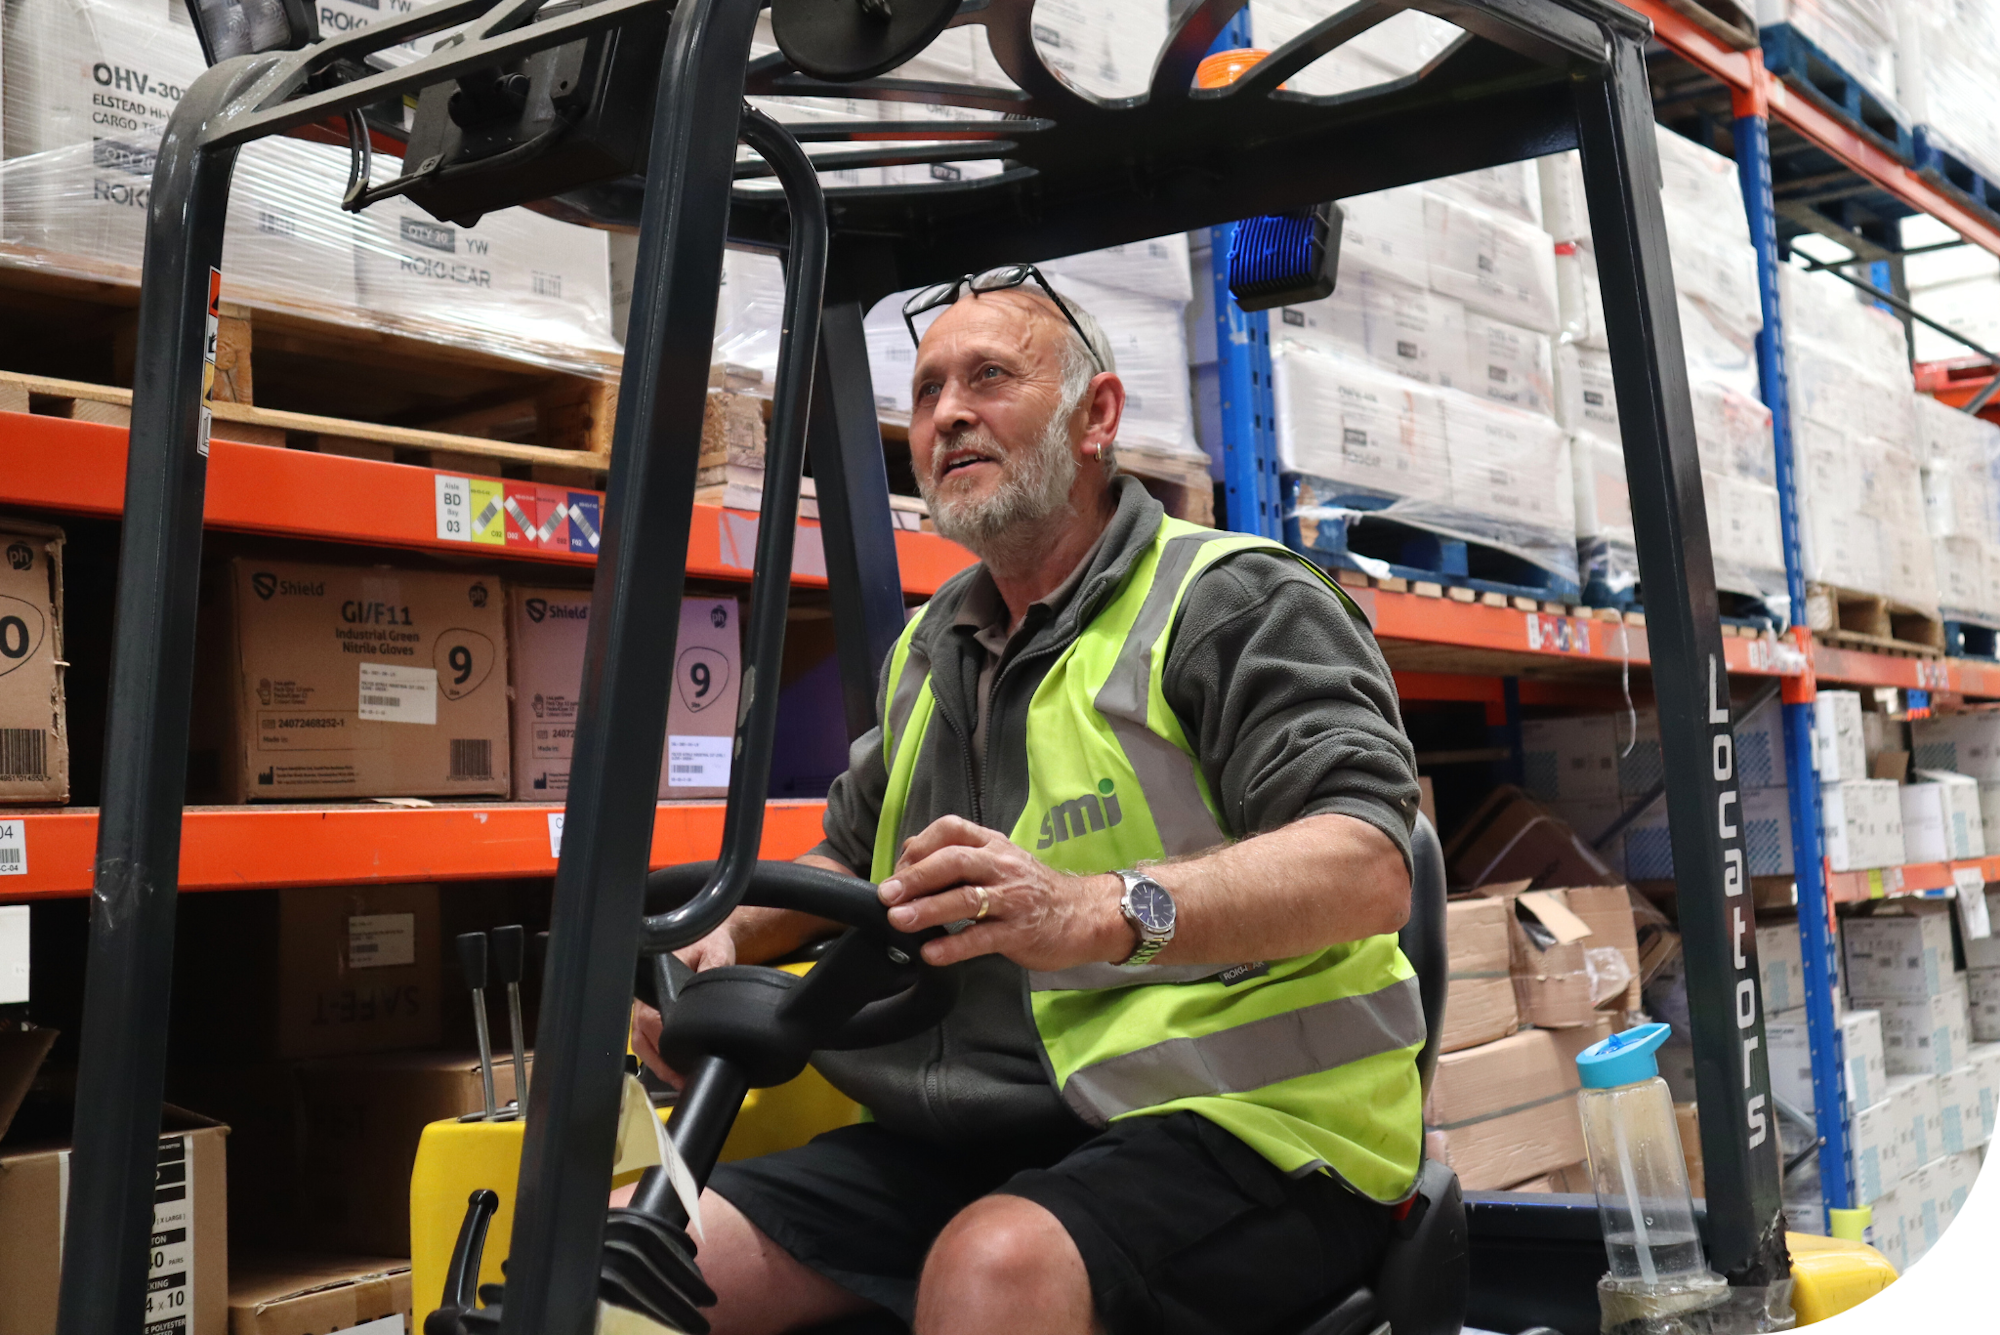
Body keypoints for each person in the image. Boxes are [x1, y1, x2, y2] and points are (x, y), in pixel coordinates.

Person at [632, 264, 1426, 1335]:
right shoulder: (932, 644)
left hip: (1252, 1130)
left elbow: (1366, 864)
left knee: (993, 1267)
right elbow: (851, 869)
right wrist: (713, 943)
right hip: (970, 1132)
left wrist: (1094, 910)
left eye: (989, 377)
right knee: (647, 1259)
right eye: (924, 393)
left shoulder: (1232, 604)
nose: (948, 412)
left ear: (1094, 415)